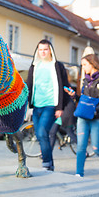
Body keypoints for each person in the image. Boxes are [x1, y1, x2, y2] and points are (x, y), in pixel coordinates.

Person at [68, 54, 99, 182]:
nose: (83, 68)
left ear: (93, 64)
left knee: (97, 148)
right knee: (81, 146)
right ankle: (79, 174)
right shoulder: (86, 80)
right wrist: (75, 96)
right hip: (84, 116)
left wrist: (96, 109)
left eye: (84, 65)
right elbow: (86, 100)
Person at [27, 39, 70, 171]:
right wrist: (28, 107)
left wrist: (60, 107)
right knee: (40, 135)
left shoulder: (57, 66)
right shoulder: (34, 66)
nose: (43, 52)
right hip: (36, 106)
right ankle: (49, 164)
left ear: (50, 50)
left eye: (45, 49)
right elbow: (29, 86)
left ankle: (46, 163)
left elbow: (64, 86)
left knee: (42, 132)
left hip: (51, 105)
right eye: (40, 49)